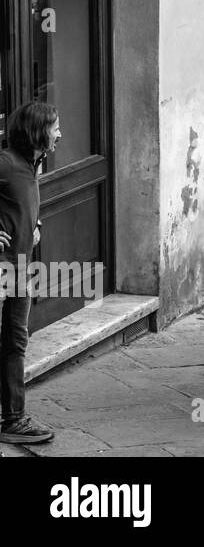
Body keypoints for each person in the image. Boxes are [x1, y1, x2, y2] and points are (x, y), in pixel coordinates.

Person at [0, 101, 60, 444]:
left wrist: (33, 222)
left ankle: (13, 420)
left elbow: (22, 203)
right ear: (38, 132)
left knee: (15, 342)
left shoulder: (31, 165)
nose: (60, 134)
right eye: (55, 127)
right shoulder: (7, 163)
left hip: (19, 270)